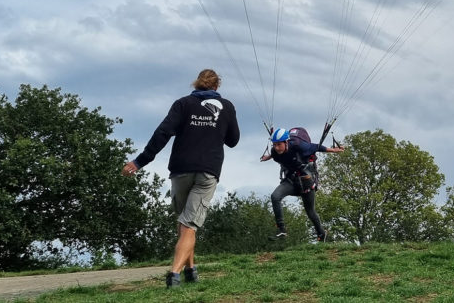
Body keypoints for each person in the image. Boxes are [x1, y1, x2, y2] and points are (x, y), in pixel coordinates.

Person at [122, 69, 240, 288]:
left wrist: (139, 162)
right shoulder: (227, 107)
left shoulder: (183, 104)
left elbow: (162, 133)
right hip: (208, 170)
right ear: (216, 87)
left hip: (180, 169)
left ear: (196, 85)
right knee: (189, 224)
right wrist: (216, 128)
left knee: (185, 221)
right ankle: (174, 275)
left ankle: (190, 270)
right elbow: (233, 140)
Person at [260, 127, 345, 242]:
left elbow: (317, 147)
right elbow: (277, 154)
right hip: (290, 181)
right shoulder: (275, 151)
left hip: (306, 181)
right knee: (275, 196)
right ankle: (282, 230)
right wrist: (268, 157)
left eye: (279, 144)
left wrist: (334, 150)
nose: (276, 147)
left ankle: (322, 234)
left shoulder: (299, 145)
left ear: (286, 142)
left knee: (310, 211)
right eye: (274, 145)